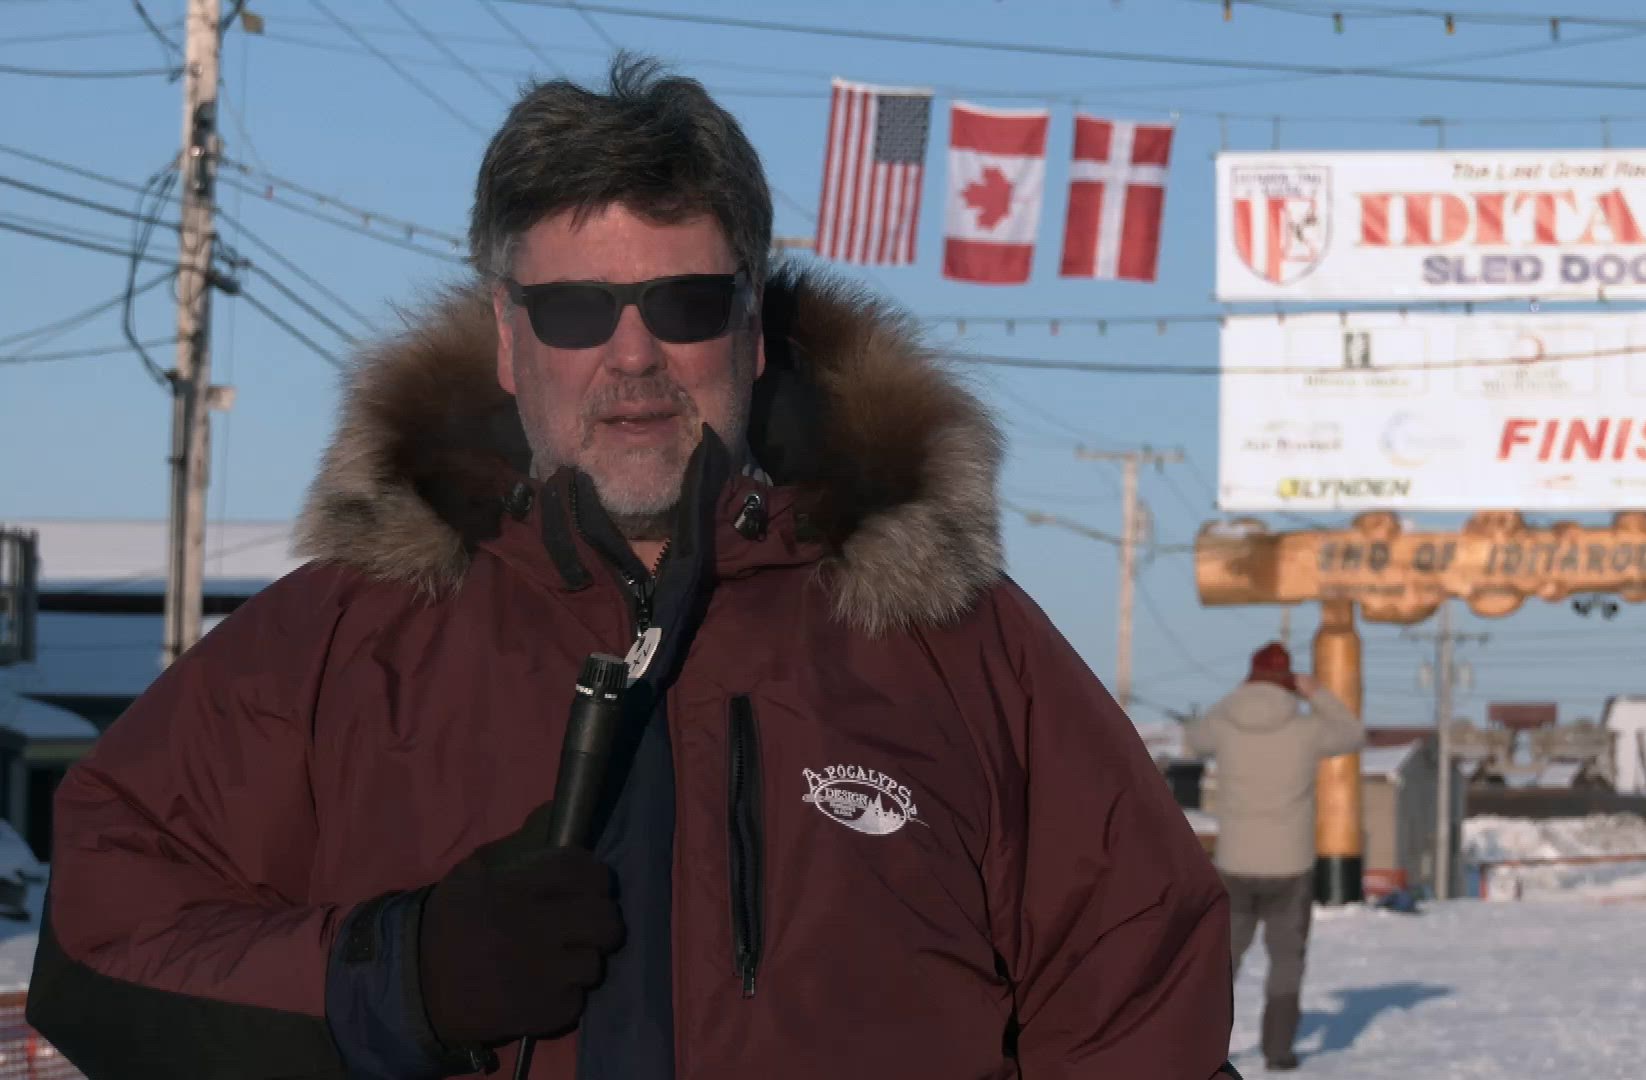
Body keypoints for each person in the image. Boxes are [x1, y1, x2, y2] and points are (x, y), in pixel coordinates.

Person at [26, 55, 1238, 1080]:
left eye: (685, 303)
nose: (634, 355)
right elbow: (98, 943)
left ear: (751, 329)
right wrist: (398, 976)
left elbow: (1143, 999)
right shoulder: (339, 643)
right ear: (508, 340)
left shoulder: (957, 644)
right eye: (574, 311)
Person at [1185, 642, 1365, 1072]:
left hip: (1235, 863)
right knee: (1286, 961)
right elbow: (1352, 733)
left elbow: (1192, 740)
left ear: (1250, 678)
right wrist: (1316, 692)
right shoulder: (1306, 729)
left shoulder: (1225, 723)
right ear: (1289, 682)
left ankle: (1202, 1047)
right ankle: (1278, 1051)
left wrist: (1238, 694)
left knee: (1222, 961)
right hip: (1291, 865)